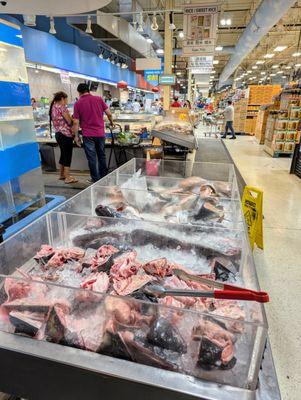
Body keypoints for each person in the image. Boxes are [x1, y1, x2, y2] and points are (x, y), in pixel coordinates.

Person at [73, 83, 114, 183]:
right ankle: (103, 177)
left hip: (88, 135)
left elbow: (75, 122)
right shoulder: (99, 99)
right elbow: (109, 113)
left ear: (79, 92)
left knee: (92, 158)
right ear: (88, 90)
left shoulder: (77, 103)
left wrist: (76, 136)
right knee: (102, 155)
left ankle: (95, 179)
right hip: (100, 133)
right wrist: (112, 123)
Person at [49, 91, 78, 184]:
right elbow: (69, 122)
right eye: (66, 99)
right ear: (62, 98)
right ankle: (67, 177)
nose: (66, 101)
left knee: (63, 154)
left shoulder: (53, 107)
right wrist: (74, 119)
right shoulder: (62, 107)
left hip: (58, 134)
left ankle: (62, 175)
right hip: (65, 134)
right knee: (67, 155)